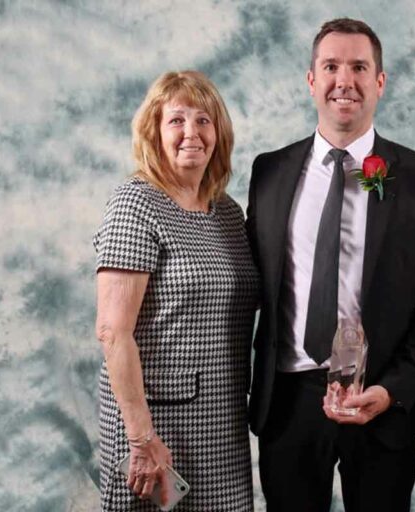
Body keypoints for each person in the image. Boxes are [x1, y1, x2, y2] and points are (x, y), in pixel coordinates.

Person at [245, 18, 415, 512]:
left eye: (360, 67)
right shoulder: (269, 172)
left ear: (379, 82)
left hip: (380, 400)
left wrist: (394, 389)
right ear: (311, 80)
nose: (346, 80)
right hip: (290, 400)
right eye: (331, 66)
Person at [94, 70, 258, 510]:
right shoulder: (136, 202)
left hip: (222, 420)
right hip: (155, 424)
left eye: (204, 120)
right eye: (177, 120)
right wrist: (142, 437)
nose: (193, 133)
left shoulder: (227, 212)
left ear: (219, 133)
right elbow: (113, 331)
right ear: (155, 131)